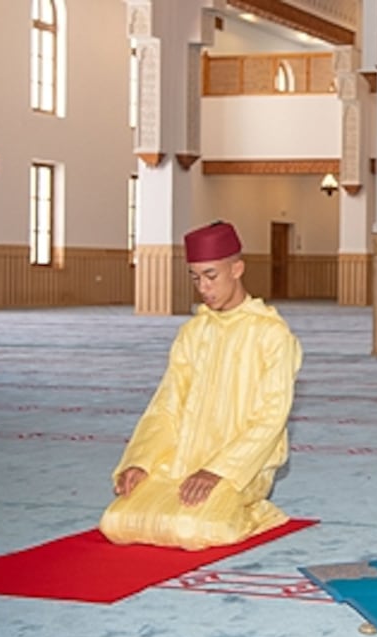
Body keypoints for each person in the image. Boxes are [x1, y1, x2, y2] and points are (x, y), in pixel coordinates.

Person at [99, 220, 303, 550]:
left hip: (242, 467)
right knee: (117, 523)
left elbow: (271, 418)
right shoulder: (193, 333)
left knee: (192, 528)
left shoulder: (272, 334)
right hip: (181, 459)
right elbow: (167, 405)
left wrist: (218, 470)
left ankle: (256, 511)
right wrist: (141, 461)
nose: (203, 288)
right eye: (195, 278)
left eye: (211, 276)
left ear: (237, 269)